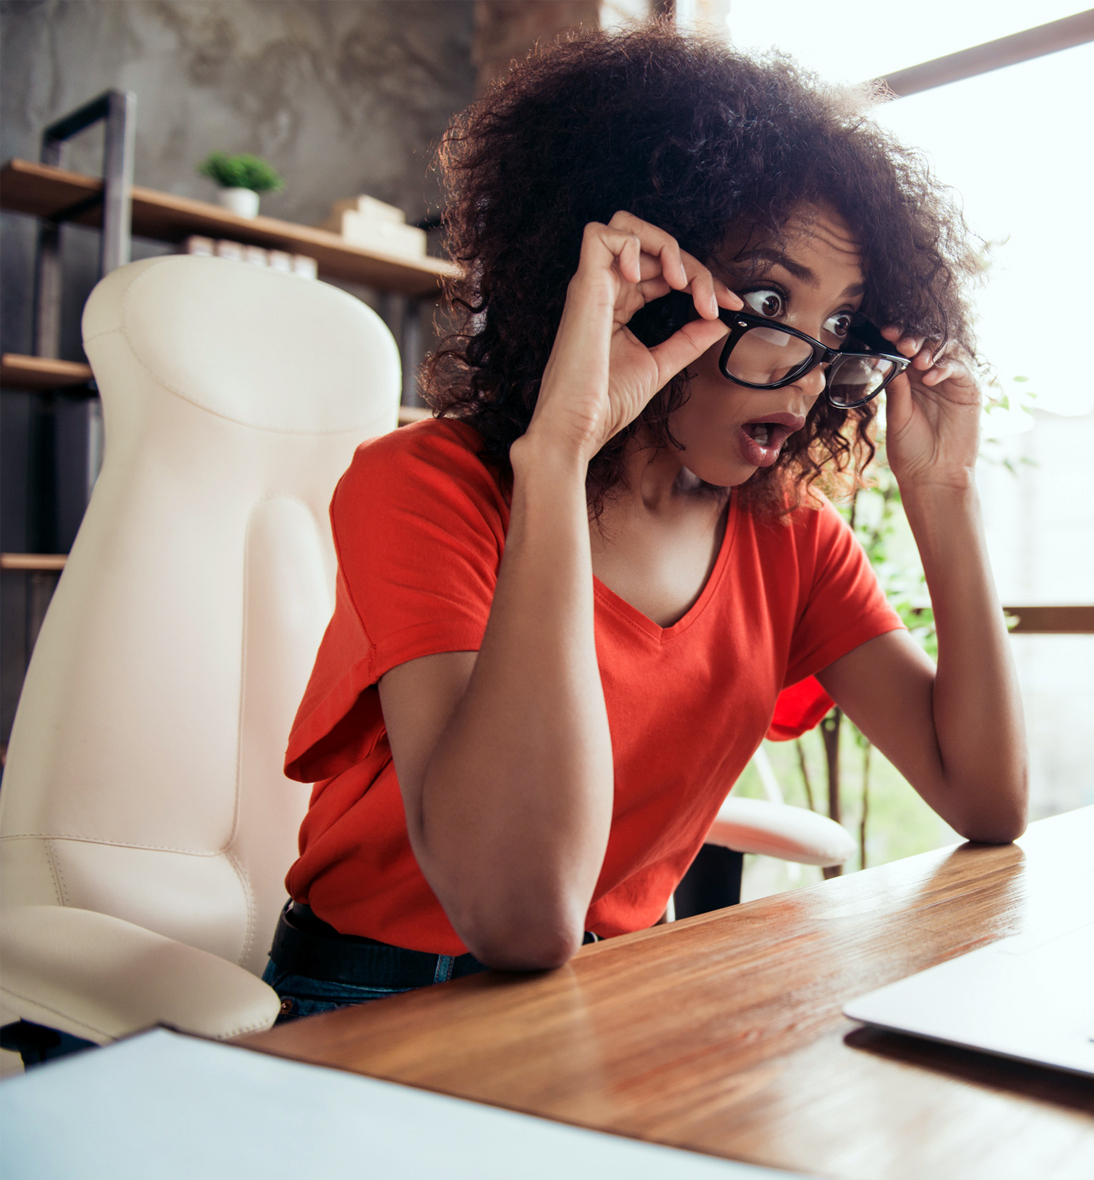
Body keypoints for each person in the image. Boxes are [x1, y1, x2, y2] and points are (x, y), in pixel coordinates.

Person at [265, 27, 1027, 1021]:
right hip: (372, 1001)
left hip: (612, 1000)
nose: (807, 373)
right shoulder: (426, 488)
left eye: (838, 327)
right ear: (637, 287)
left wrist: (945, 495)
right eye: (764, 299)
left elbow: (986, 799)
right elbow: (522, 915)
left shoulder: (792, 541)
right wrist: (561, 454)